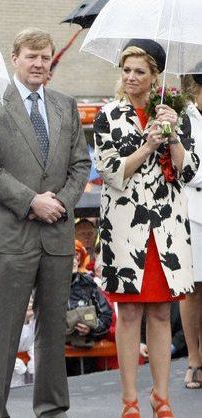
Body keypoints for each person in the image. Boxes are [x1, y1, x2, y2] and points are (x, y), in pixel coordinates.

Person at [0, 28, 90, 418]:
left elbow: (80, 164)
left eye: (45, 57)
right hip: (9, 237)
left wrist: (61, 202)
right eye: (31, 56)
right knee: (0, 333)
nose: (39, 63)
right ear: (14, 57)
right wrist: (32, 202)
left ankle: (53, 408)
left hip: (56, 234)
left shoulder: (65, 105)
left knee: (53, 330)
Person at [93, 39, 199, 417]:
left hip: (167, 228)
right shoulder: (109, 115)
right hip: (126, 228)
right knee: (131, 313)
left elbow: (190, 172)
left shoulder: (178, 114)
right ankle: (129, 400)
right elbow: (110, 172)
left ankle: (161, 397)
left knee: (159, 313)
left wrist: (171, 139)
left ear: (156, 76)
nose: (131, 77)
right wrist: (146, 144)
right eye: (127, 70)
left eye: (140, 71)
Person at [180, 70, 202, 390]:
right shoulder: (183, 119)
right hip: (191, 211)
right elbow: (188, 170)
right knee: (193, 288)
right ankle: (194, 359)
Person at [65, 240, 113, 376]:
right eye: (68, 256)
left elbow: (106, 316)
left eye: (75, 255)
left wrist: (92, 328)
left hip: (87, 359)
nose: (73, 260)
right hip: (58, 359)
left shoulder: (89, 285)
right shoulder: (49, 288)